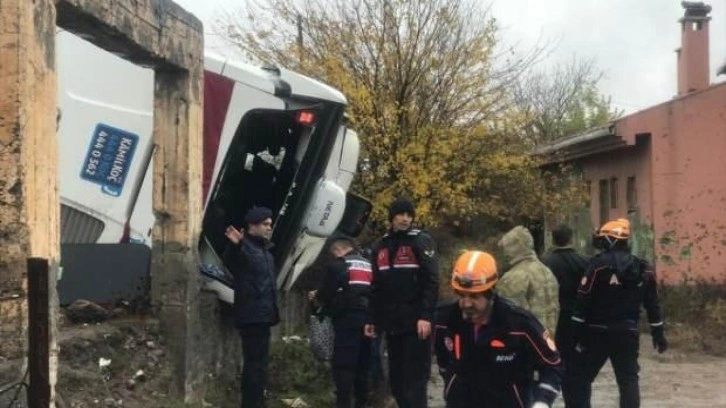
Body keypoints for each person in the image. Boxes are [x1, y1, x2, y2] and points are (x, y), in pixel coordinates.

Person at [435, 250, 563, 407]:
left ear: (491, 293)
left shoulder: (519, 324)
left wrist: (542, 402)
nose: (466, 304)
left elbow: (552, 364)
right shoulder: (445, 319)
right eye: (462, 295)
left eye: (474, 297)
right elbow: (443, 361)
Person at [567, 218, 667, 408]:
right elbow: (653, 304)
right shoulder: (645, 269)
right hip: (627, 333)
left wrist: (575, 334)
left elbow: (582, 301)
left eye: (602, 239)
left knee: (580, 378)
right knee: (628, 381)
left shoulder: (597, 266)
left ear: (610, 241)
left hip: (596, 333)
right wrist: (658, 332)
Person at [364, 197, 439, 407]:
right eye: (401, 214)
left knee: (415, 381)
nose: (405, 219)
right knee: (397, 382)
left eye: (409, 215)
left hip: (417, 324)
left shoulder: (421, 241)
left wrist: (425, 316)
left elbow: (431, 281)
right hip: (392, 323)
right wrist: (372, 318)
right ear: (392, 217)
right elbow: (376, 286)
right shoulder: (381, 246)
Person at [223, 206, 279, 408]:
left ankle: (258, 402)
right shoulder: (244, 248)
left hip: (264, 315)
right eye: (264, 224)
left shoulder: (266, 251)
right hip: (251, 315)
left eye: (270, 224)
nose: (268, 228)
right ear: (252, 226)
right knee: (254, 365)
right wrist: (237, 245)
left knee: (260, 365)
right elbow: (233, 262)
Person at [309, 235, 373, 408]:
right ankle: (362, 403)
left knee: (344, 366)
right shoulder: (369, 264)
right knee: (363, 367)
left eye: (333, 253)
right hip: (370, 323)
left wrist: (316, 297)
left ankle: (343, 403)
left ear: (338, 250)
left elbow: (325, 295)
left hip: (347, 322)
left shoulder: (337, 266)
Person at [543, 224, 589, 405]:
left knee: (552, 364)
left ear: (553, 240)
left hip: (553, 322)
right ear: (572, 238)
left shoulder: (545, 263)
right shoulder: (585, 262)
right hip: (578, 321)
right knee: (578, 369)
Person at [497, 225, 560, 336]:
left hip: (525, 345)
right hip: (547, 344)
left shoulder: (514, 277)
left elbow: (509, 317)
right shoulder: (547, 272)